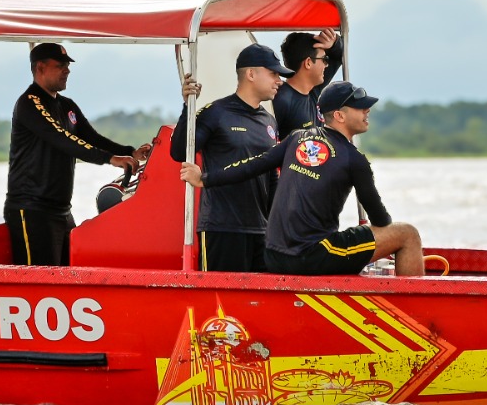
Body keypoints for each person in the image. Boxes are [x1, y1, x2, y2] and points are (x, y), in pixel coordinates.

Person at [181, 80, 424, 276]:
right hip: (311, 256)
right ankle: (417, 322)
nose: (367, 110)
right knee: (407, 234)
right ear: (339, 115)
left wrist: (205, 178)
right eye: (361, 107)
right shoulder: (355, 159)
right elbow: (380, 219)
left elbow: (253, 165)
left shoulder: (297, 138)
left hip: (274, 256)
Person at [5, 43, 151, 266]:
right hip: (32, 210)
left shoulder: (66, 105)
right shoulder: (29, 103)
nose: (67, 70)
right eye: (61, 65)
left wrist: (129, 152)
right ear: (40, 67)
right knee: (38, 281)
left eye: (68, 66)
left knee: (66, 274)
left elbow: (92, 138)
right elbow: (62, 139)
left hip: (61, 210)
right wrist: (110, 159)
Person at [169, 43, 294, 272]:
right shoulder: (216, 113)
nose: (279, 80)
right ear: (251, 74)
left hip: (260, 232)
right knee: (215, 305)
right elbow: (179, 152)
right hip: (221, 228)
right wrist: (187, 106)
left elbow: (271, 176)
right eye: (274, 73)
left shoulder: (270, 121)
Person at [273, 27, 343, 136]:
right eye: (324, 59)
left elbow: (340, 56)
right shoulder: (280, 99)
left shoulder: (314, 91)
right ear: (308, 63)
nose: (326, 65)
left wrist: (334, 42)